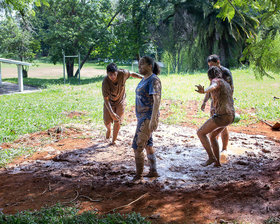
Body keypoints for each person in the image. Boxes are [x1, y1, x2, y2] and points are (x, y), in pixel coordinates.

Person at [195, 66, 235, 167]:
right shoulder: (226, 84)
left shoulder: (216, 81)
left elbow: (213, 86)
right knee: (212, 136)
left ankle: (211, 157)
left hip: (222, 116)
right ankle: (217, 163)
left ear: (210, 77)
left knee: (200, 133)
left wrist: (204, 91)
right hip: (231, 116)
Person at [132, 56, 161, 181]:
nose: (139, 67)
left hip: (147, 118)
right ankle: (153, 171)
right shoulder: (144, 79)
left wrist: (154, 119)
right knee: (148, 145)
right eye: (139, 64)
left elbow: (157, 100)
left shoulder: (153, 80)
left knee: (137, 146)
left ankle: (138, 177)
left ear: (150, 65)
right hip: (142, 117)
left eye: (142, 64)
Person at [102, 63, 142, 145]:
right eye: (110, 75)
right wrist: (112, 113)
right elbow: (106, 100)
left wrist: (142, 77)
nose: (112, 76)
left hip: (120, 101)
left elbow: (131, 74)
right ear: (107, 73)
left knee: (118, 120)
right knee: (107, 121)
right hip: (109, 102)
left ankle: (113, 140)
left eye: (114, 74)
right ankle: (109, 129)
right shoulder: (105, 82)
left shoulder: (123, 73)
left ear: (117, 72)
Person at [200, 54, 234, 151]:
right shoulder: (213, 74)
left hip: (224, 103)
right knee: (214, 125)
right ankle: (214, 144)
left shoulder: (225, 72)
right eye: (209, 65)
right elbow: (210, 88)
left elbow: (231, 88)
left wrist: (228, 103)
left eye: (212, 65)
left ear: (218, 62)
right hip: (214, 103)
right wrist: (205, 101)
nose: (210, 67)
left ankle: (224, 148)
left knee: (223, 126)